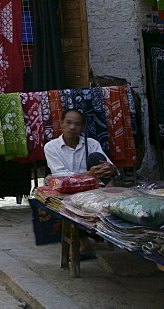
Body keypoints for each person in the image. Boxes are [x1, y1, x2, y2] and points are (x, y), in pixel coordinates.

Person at [43, 109, 116, 259]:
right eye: (68, 123)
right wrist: (88, 175)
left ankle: (100, 233)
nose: (72, 127)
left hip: (92, 189)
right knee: (62, 203)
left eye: (77, 124)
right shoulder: (51, 147)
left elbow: (107, 166)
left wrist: (111, 168)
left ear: (82, 127)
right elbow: (61, 176)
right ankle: (85, 242)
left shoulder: (92, 144)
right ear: (61, 124)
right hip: (66, 189)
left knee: (96, 157)